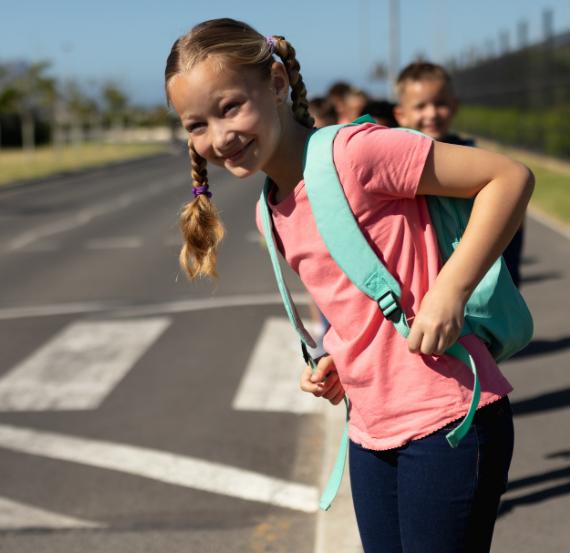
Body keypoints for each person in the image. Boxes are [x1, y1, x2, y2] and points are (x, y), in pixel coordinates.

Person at [165, 19, 533, 552]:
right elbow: (355, 300)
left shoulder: (355, 154)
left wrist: (450, 290)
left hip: (448, 419)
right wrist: (338, 355)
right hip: (370, 431)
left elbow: (508, 177)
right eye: (196, 124)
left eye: (230, 107)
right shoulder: (269, 210)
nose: (219, 137)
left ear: (274, 83)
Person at [393, 61, 524, 287]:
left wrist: (509, 279)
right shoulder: (391, 163)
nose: (431, 113)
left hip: (478, 288)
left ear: (455, 106)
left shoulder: (479, 161)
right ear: (400, 114)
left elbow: (513, 225)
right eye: (420, 106)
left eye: (440, 103)